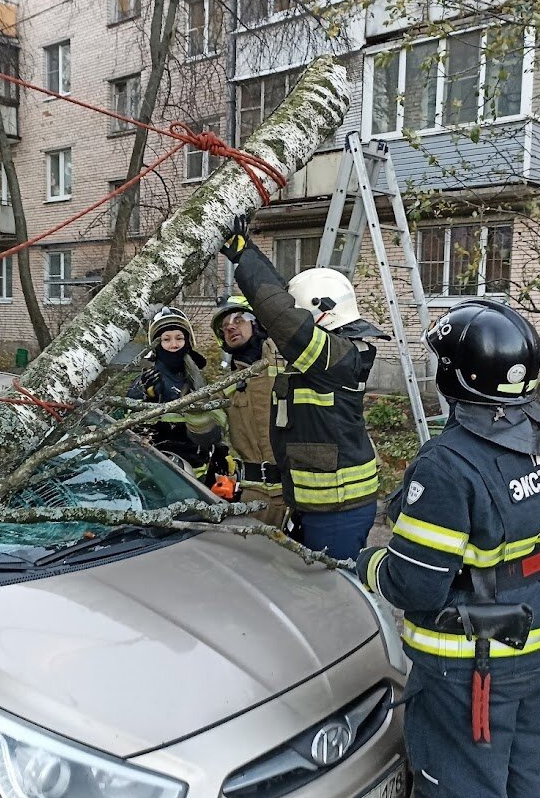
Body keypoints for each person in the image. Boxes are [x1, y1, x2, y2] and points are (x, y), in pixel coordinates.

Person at [354, 299, 540, 798]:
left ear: (453, 376)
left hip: (471, 669)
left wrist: (365, 564)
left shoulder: (446, 466)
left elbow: (416, 586)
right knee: (524, 782)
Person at [220, 215, 386, 560]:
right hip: (321, 502)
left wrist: (242, 256)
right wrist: (249, 250)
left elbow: (282, 315)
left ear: (320, 314)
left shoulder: (335, 355)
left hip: (337, 506)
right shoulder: (336, 350)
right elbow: (283, 304)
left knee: (331, 596)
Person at [209, 295, 286, 528]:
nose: (230, 327)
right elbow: (207, 429)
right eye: (224, 328)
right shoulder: (227, 385)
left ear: (256, 324)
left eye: (238, 319)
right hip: (255, 497)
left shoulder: (286, 365)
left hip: (298, 492)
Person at [127, 306, 224, 473]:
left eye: (179, 338)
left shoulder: (199, 379)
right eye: (166, 339)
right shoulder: (145, 382)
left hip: (200, 472)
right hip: (158, 473)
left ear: (188, 341)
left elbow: (217, 426)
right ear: (157, 344)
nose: (174, 345)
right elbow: (132, 434)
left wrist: (219, 450)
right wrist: (148, 399)